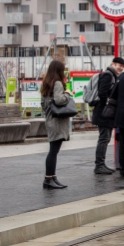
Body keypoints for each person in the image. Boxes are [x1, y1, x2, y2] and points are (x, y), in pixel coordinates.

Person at [91, 57, 124, 174]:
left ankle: (101, 164)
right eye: (119, 65)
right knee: (103, 139)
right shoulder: (108, 75)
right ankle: (99, 165)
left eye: (122, 66)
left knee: (104, 139)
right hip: (104, 113)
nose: (121, 68)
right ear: (113, 64)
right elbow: (102, 92)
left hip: (104, 112)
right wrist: (109, 103)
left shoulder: (113, 75)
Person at [41, 59, 72, 190]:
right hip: (57, 122)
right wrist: (67, 94)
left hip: (50, 120)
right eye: (63, 69)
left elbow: (44, 104)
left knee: (53, 150)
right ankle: (48, 178)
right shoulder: (58, 83)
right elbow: (59, 100)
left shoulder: (47, 83)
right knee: (53, 151)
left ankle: (52, 177)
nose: (64, 71)